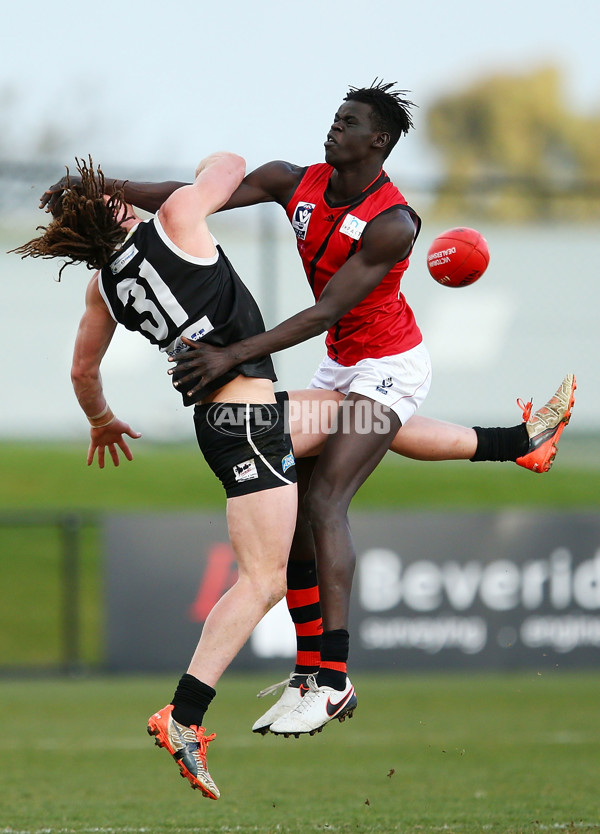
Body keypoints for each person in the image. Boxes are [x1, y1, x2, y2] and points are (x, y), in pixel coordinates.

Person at [39, 83, 576, 738]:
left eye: (347, 123)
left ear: (377, 141)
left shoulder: (394, 222)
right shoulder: (292, 182)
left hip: (389, 363)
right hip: (340, 365)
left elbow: (325, 311)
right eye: (334, 117)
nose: (333, 129)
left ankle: (332, 678)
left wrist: (231, 353)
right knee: (341, 457)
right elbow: (191, 198)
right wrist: (108, 190)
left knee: (323, 501)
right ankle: (520, 442)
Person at [12, 152, 300, 798]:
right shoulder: (174, 218)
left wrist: (102, 420)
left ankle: (508, 443)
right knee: (262, 579)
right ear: (110, 203)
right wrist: (147, 185)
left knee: (360, 417)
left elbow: (83, 373)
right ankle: (186, 714)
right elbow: (228, 164)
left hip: (232, 415)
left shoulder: (103, 289)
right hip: (244, 418)